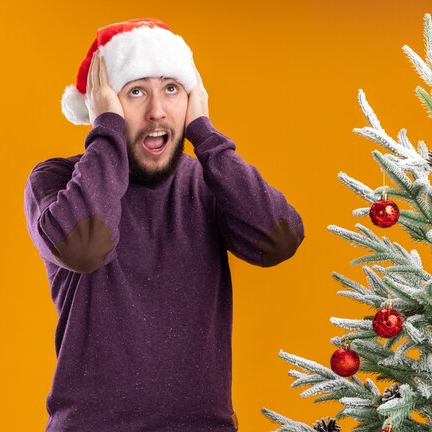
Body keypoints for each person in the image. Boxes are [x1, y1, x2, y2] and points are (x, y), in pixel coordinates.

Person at [24, 18, 304, 432]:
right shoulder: (57, 182)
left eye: (171, 89)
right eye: (135, 91)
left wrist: (205, 136)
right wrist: (107, 134)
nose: (157, 111)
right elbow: (84, 245)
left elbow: (279, 239)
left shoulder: (209, 182)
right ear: (104, 106)